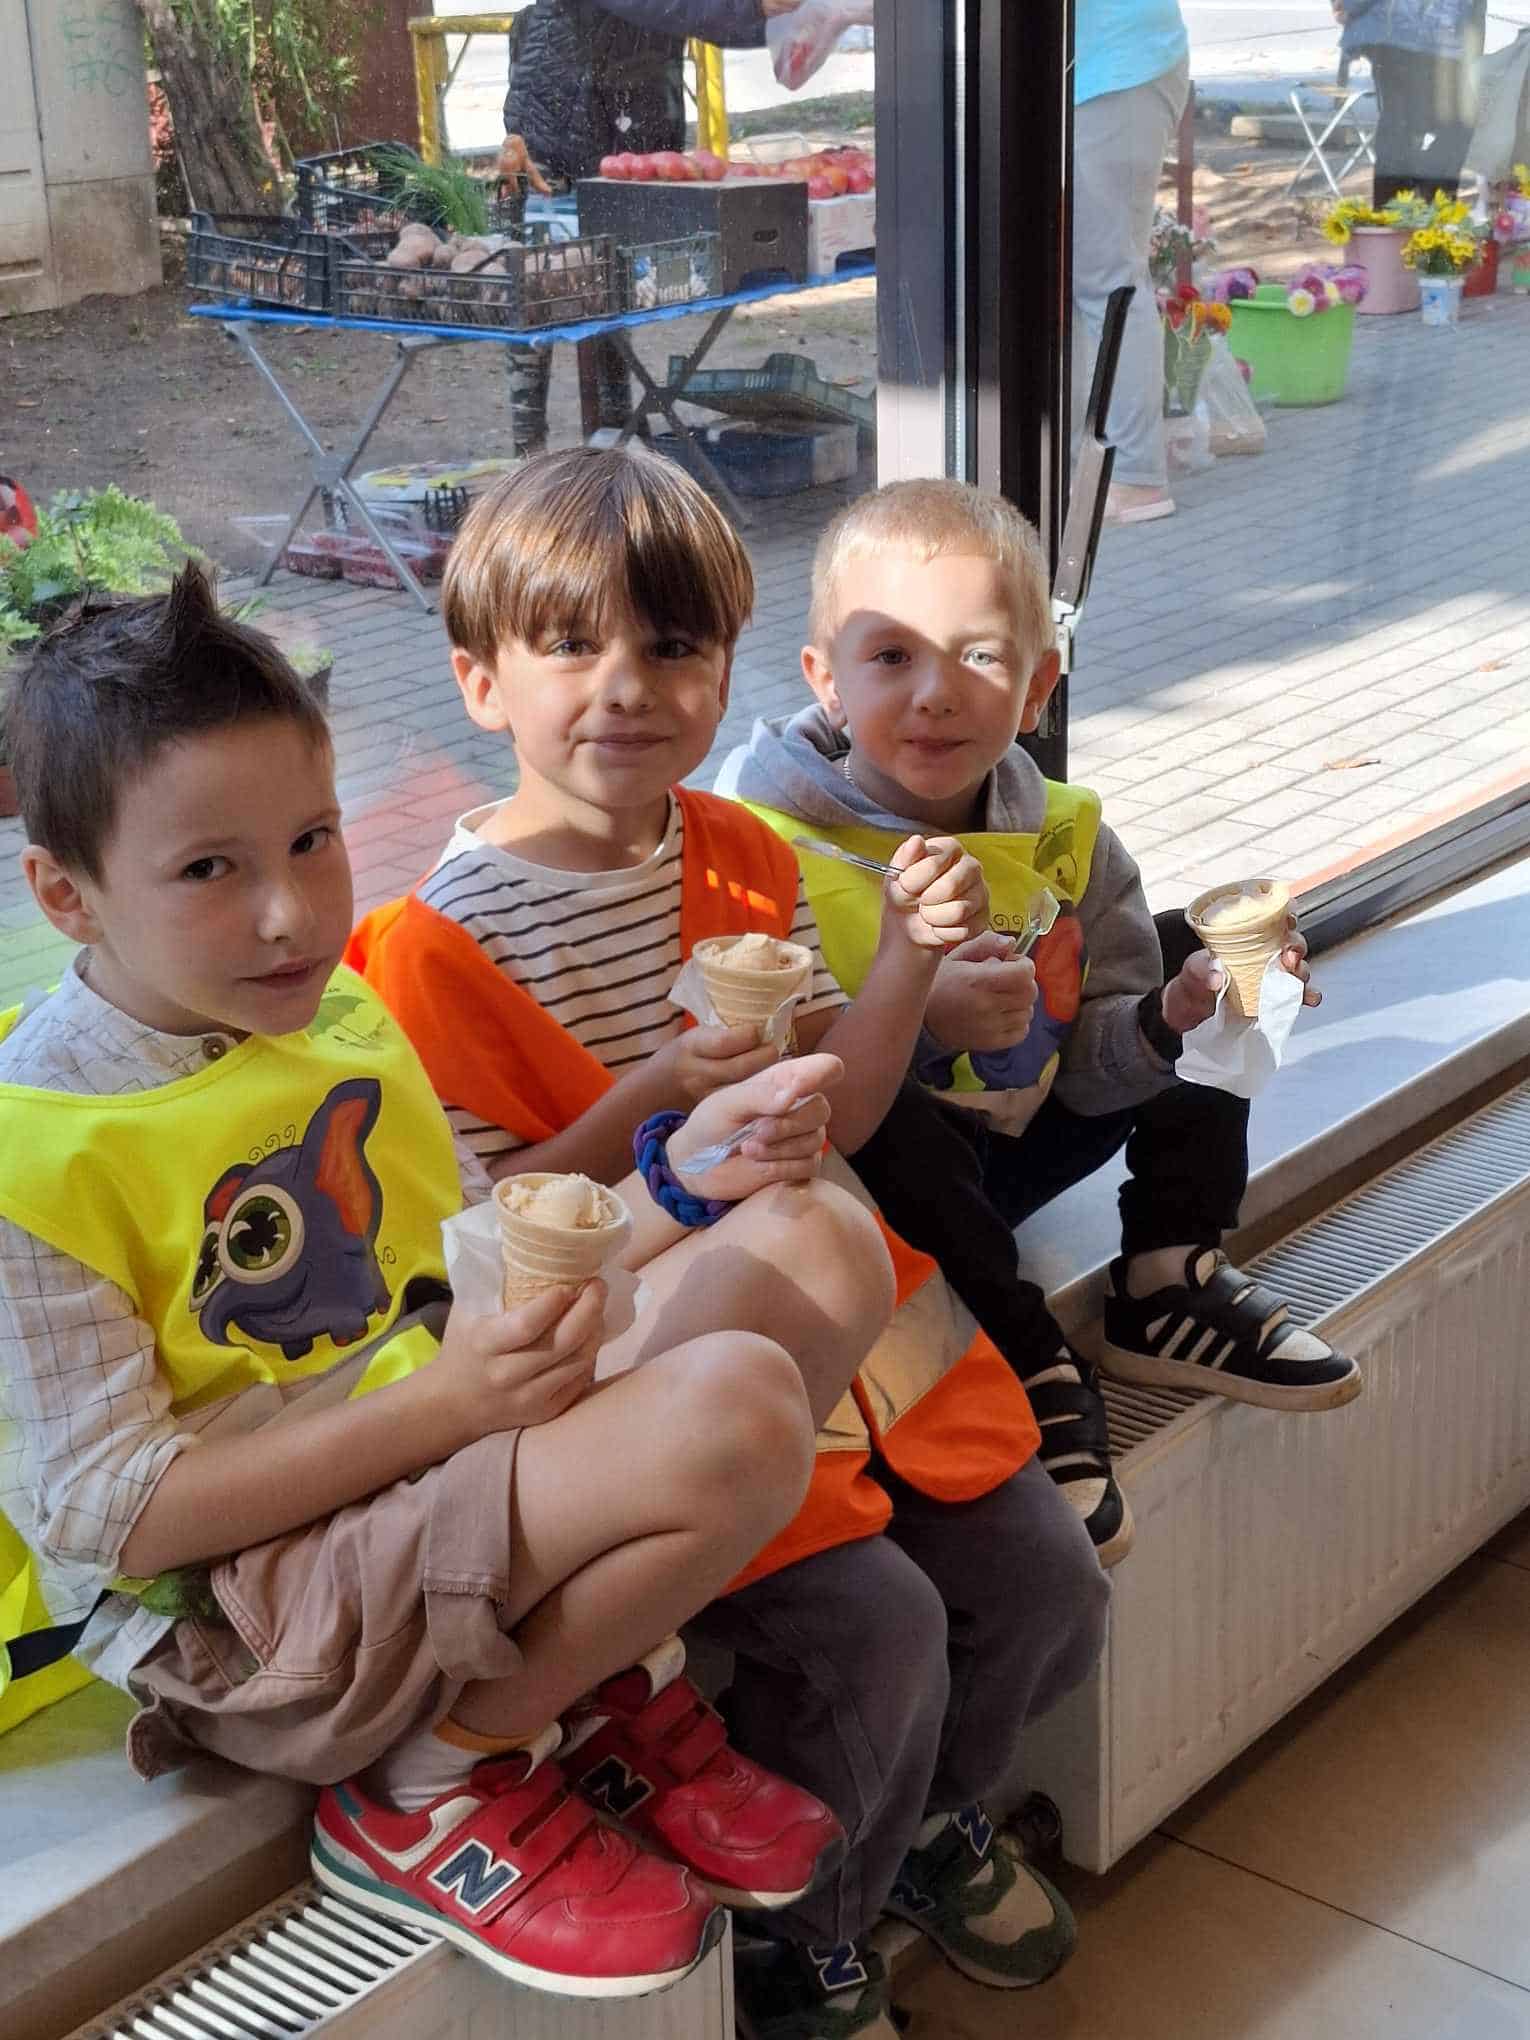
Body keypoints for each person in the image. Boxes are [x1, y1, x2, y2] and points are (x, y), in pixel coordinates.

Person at [0, 568, 902, 2001]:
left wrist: (686, 1175)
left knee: (821, 1240)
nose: (291, 913)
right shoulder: (30, 1147)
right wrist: (450, 1410)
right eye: (210, 871)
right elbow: (111, 1516)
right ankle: (430, 1779)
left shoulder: (332, 1013)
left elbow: (474, 1262)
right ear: (65, 893)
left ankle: (572, 1687)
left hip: (433, 1458)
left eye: (312, 840)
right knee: (736, 1409)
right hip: (246, 1611)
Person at [349, 447, 1111, 2040]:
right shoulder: (426, 952)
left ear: (728, 674)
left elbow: (843, 1110)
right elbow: (482, 1250)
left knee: (1047, 1584)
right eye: (572, 646)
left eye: (674, 646)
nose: (625, 686)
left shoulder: (739, 856)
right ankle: (806, 1947)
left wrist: (901, 964)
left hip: (853, 1324)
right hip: (650, 1379)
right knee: (881, 1634)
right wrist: (661, 1103)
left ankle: (919, 1831)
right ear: (480, 680)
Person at [717, 476, 1365, 1557]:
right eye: (892, 657)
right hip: (882, 1191)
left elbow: (1098, 1069)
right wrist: (920, 1019)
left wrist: (1175, 1016)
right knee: (882, 1115)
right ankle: (1026, 1357)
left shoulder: (1070, 840)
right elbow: (774, 1106)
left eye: (978, 656)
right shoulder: (758, 847)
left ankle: (1168, 1279)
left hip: (1025, 1143)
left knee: (1186, 948)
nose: (935, 694)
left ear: (1036, 688)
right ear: (825, 680)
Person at [501, 0, 803, 457]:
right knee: (542, 287)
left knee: (614, 281)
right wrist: (760, 11)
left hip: (628, 118)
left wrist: (796, 19)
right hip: (559, 124)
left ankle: (618, 432)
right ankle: (529, 455)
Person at [1072, 0, 1191, 526]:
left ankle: (1137, 477)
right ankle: (1106, 461)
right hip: (1111, 67)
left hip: (1116, 70)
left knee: (1108, 279)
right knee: (1096, 279)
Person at [1335, 0, 1487, 207]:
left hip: (1437, 37)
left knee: (1450, 123)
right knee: (1402, 125)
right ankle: (1405, 206)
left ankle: (1416, 200)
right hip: (1402, 33)